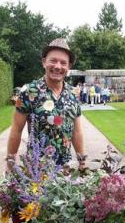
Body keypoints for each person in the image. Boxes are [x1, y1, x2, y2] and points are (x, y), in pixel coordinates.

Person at [5, 38, 87, 170]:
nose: (58, 66)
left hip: (66, 170)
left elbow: (77, 132)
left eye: (63, 63)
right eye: (53, 61)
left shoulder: (73, 93)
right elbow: (16, 130)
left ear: (69, 67)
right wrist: (10, 164)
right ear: (44, 62)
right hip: (37, 169)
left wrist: (82, 163)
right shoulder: (28, 91)